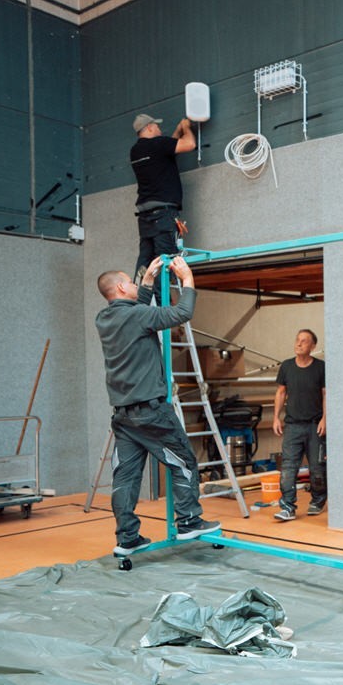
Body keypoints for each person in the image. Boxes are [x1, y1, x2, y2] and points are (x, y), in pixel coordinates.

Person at [95, 255, 220, 555]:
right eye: (131, 282)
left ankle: (127, 538)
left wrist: (148, 281)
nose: (134, 285)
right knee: (184, 462)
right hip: (151, 413)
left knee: (125, 477)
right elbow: (183, 312)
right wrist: (187, 278)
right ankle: (189, 521)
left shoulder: (104, 319)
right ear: (122, 287)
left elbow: (135, 310)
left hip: (123, 417)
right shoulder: (138, 316)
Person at [129, 113, 196, 282]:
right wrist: (186, 128)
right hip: (164, 214)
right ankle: (161, 297)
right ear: (149, 127)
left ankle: (139, 290)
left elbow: (167, 148)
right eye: (157, 126)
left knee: (146, 260)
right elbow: (190, 144)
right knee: (165, 260)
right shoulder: (159, 144)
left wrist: (177, 131)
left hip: (145, 217)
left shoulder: (135, 151)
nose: (159, 129)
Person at [272, 329, 327, 521]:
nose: (299, 343)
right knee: (288, 468)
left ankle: (318, 500)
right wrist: (276, 417)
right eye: (297, 340)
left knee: (317, 468)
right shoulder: (287, 366)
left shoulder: (321, 367)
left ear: (313, 346)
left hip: (315, 425)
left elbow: (326, 394)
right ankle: (287, 507)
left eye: (304, 341)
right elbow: (281, 392)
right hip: (293, 426)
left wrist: (325, 419)